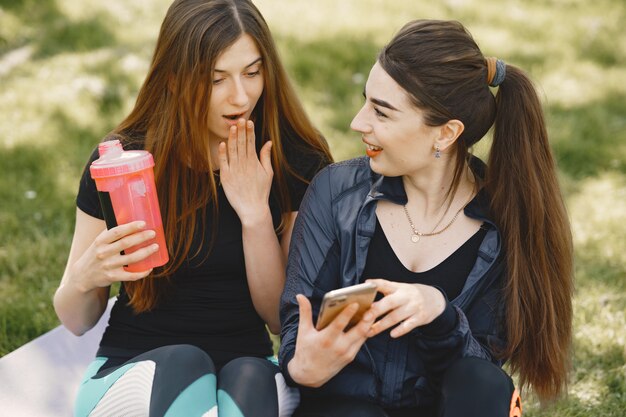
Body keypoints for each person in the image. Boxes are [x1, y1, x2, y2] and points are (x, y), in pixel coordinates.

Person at [279, 19, 573, 417]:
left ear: (446, 134)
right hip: (343, 408)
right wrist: (302, 365)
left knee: (486, 382)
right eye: (366, 100)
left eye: (382, 113)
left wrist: (441, 315)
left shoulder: (503, 225)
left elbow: (480, 379)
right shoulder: (335, 192)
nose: (358, 122)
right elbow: (298, 321)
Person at [53, 0, 331, 416]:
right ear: (176, 77)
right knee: (186, 363)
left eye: (253, 73)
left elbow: (279, 320)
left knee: (250, 376)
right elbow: (76, 320)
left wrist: (255, 215)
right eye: (216, 79)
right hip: (133, 369)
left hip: (248, 372)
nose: (241, 95)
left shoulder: (295, 161)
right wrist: (85, 276)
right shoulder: (124, 162)